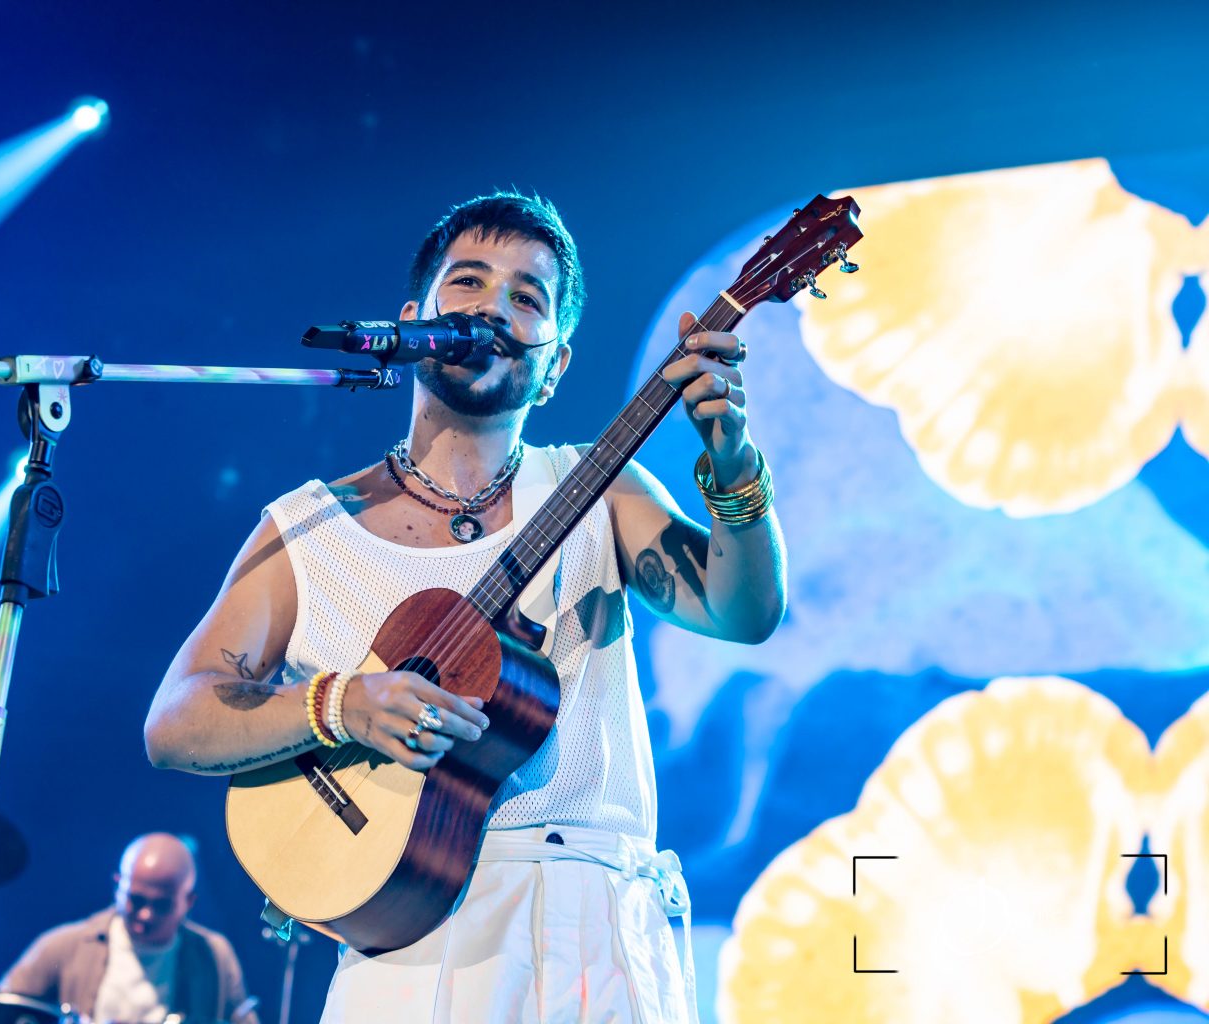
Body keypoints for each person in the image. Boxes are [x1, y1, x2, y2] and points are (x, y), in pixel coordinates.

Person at [144, 192, 786, 1023]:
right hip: (398, 946)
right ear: (412, 320)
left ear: (555, 365)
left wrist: (732, 467)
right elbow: (176, 723)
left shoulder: (600, 491)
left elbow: (745, 612)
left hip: (587, 935)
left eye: (527, 297)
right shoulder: (308, 526)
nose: (492, 308)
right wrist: (340, 703)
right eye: (469, 284)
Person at [0, 833, 258, 1024]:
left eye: (162, 905)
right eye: (136, 899)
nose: (146, 915)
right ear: (117, 885)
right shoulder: (64, 945)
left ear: (188, 902)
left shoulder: (214, 955)